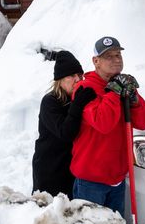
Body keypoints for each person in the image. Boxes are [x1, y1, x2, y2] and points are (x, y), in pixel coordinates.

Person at [70, 36, 145, 216]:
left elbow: (143, 122)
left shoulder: (123, 85)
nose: (116, 60)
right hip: (91, 180)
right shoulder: (85, 88)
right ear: (96, 61)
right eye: (109, 56)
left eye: (118, 55)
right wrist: (114, 92)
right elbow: (103, 123)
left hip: (117, 177)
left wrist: (134, 100)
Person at [32, 50, 97, 198]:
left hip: (71, 168)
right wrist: (77, 105)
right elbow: (66, 132)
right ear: (60, 80)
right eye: (71, 76)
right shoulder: (50, 101)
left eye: (79, 75)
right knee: (49, 213)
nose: (77, 79)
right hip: (50, 168)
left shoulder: (77, 99)